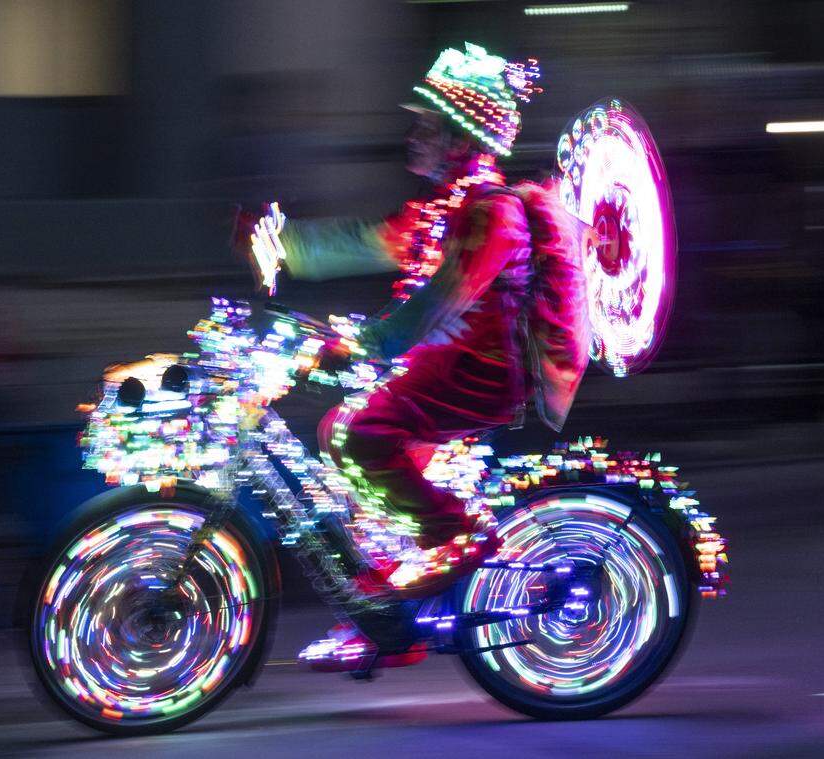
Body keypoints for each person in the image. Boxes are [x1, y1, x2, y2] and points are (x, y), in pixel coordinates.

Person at [250, 44, 590, 670]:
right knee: (341, 443)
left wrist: (362, 346)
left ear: (462, 137)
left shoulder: (493, 215)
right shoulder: (440, 210)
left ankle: (455, 537)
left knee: (359, 433)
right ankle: (390, 619)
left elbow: (436, 303)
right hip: (441, 367)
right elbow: (364, 243)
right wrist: (286, 243)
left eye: (428, 125)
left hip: (478, 375)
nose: (415, 135)